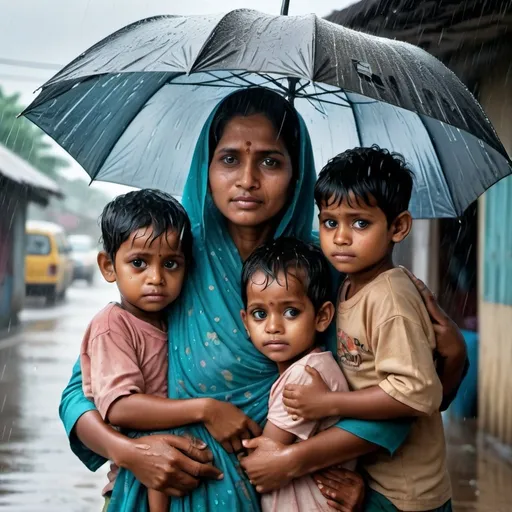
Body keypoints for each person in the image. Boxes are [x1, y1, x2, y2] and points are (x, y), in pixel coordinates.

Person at [59, 88, 467, 512]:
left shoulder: (333, 269)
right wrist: (131, 455)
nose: (248, 180)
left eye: (270, 161)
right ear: (206, 166)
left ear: (297, 171)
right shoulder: (174, 261)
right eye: (230, 158)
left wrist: (453, 362)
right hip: (180, 489)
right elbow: (84, 390)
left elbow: (396, 396)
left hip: (296, 495)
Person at [281, 146, 452, 511]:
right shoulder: (348, 283)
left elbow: (416, 392)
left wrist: (328, 403)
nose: (341, 237)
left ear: (398, 227)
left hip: (406, 491)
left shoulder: (390, 298)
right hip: (374, 473)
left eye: (360, 223)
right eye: (330, 222)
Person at [79, 190, 193, 512]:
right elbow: (120, 407)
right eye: (139, 263)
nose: (156, 278)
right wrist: (204, 409)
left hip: (172, 465)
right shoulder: (113, 326)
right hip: (134, 480)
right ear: (108, 266)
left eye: (171, 263)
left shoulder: (178, 320)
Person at [241, 237, 357, 512]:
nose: (273, 327)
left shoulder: (304, 376)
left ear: (322, 316)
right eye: (259, 314)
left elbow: (260, 465)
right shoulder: (317, 366)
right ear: (245, 322)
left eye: (290, 312)